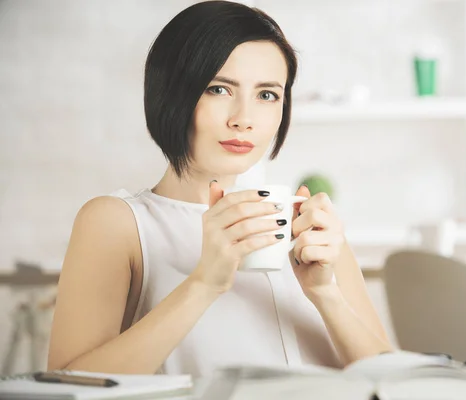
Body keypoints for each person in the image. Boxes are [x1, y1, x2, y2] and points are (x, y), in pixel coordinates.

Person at [48, 0, 392, 377]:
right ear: (172, 93)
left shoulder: (310, 227)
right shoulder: (117, 223)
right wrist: (204, 283)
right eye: (218, 89)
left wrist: (326, 293)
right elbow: (68, 387)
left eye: (267, 95)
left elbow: (398, 384)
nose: (243, 119)